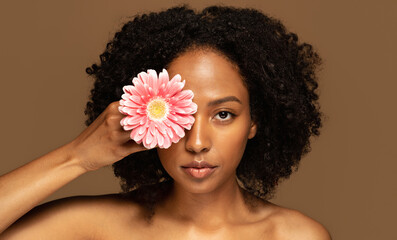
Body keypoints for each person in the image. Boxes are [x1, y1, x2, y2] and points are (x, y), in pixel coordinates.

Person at [0, 5, 331, 239]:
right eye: (180, 115)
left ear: (255, 121)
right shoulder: (96, 227)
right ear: (145, 116)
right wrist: (77, 157)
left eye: (223, 114)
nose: (197, 142)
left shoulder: (294, 236)